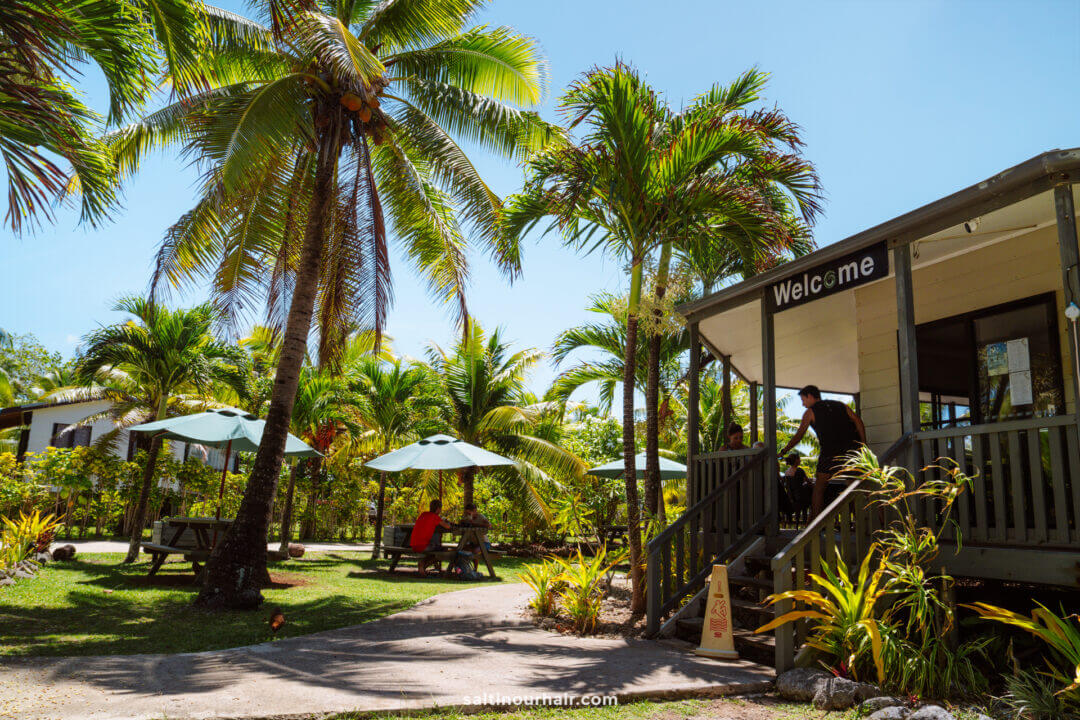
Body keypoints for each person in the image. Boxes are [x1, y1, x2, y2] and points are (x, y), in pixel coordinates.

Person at [778, 385, 867, 518]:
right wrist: (863, 444)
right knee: (855, 487)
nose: (803, 404)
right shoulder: (841, 405)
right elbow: (858, 421)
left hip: (829, 453)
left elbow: (799, 435)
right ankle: (868, 521)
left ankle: (814, 522)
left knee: (819, 488)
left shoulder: (810, 412)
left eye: (803, 400)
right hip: (852, 451)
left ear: (810, 396)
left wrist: (784, 450)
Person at [409, 499, 452, 577]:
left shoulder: (423, 514)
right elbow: (448, 526)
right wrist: (447, 522)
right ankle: (423, 565)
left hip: (413, 545)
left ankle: (423, 565)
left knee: (436, 549)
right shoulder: (435, 517)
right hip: (423, 546)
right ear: (438, 509)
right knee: (443, 551)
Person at [780, 452, 812, 525]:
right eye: (799, 459)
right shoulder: (799, 471)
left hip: (792, 497)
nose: (800, 460)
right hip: (801, 497)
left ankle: (797, 523)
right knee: (811, 497)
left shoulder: (786, 472)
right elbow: (808, 482)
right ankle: (807, 521)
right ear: (796, 460)